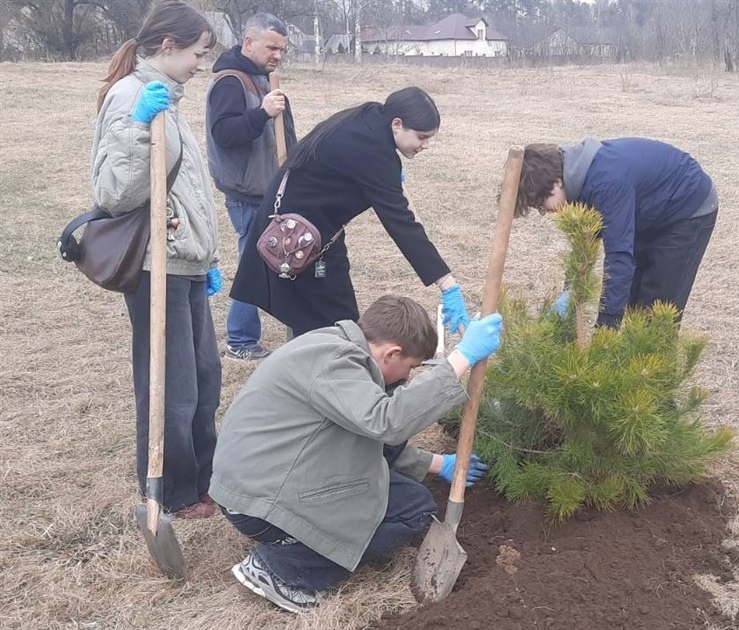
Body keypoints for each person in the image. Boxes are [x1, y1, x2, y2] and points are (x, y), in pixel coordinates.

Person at [209, 295, 502, 613]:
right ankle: (283, 569)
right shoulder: (335, 362)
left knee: (409, 498)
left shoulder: (332, 347)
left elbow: (364, 438)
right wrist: (463, 357)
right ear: (392, 353)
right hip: (258, 505)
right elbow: (387, 422)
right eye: (411, 368)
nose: (408, 377)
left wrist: (437, 464)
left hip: (263, 483)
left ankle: (293, 542)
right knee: (408, 511)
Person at [93, 0, 222, 519]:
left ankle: (204, 476)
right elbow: (116, 191)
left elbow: (185, 184)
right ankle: (170, 491)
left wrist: (205, 251)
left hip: (185, 259)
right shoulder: (131, 98)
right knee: (172, 386)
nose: (201, 63)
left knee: (206, 375)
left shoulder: (170, 95)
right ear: (167, 47)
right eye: (197, 52)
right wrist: (138, 127)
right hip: (155, 265)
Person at [229, 87, 470, 337]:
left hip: (315, 231)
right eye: (421, 137)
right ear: (397, 124)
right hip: (296, 237)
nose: (426, 145)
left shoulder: (371, 117)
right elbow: (402, 225)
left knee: (321, 316)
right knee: (334, 325)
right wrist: (447, 284)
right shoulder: (374, 151)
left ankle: (309, 361)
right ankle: (314, 367)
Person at [514, 138, 718, 328]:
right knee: (635, 301)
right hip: (649, 208)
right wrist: (570, 291)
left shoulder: (605, 182)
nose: (543, 212)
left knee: (657, 310)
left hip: (687, 207)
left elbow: (619, 257)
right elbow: (585, 245)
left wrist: (606, 326)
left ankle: (654, 361)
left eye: (541, 204)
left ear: (556, 182)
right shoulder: (575, 180)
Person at [206, 12, 295, 360]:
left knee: (267, 260)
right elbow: (225, 135)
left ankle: (248, 336)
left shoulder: (262, 79)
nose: (277, 55)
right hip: (246, 194)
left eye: (282, 50)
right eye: (272, 47)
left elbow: (282, 138)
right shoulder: (231, 81)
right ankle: (240, 341)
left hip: (269, 188)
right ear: (248, 42)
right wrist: (261, 113)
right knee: (253, 264)